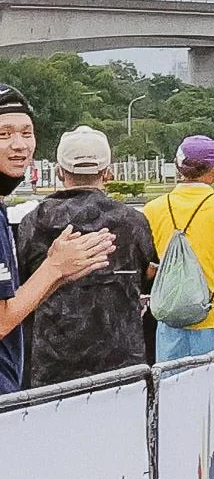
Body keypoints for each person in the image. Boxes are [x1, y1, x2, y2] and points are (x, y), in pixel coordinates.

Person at [16, 126, 157, 388]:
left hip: (52, 363)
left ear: (59, 172)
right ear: (108, 172)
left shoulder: (33, 222)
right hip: (121, 362)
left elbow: (20, 284)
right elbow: (147, 274)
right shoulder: (133, 221)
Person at [0, 86, 117, 395]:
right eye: (4, 134)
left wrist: (59, 274)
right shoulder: (134, 219)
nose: (19, 145)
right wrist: (53, 268)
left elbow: (13, 303)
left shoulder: (22, 216)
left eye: (27, 133)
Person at [143, 135, 214, 363]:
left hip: (170, 322)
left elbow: (149, 270)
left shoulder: (153, 209)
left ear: (178, 167)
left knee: (172, 383)